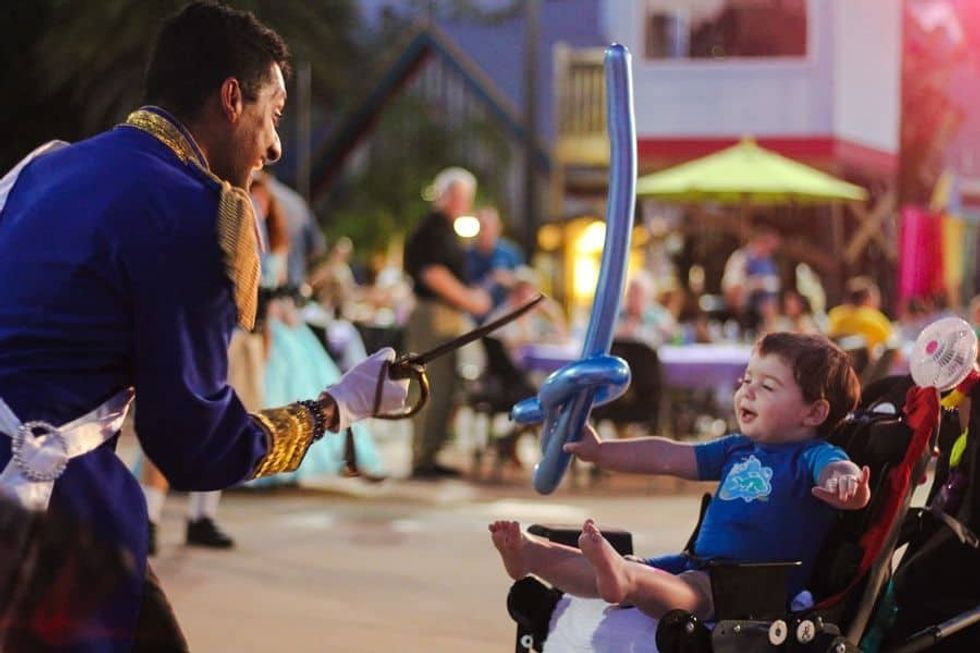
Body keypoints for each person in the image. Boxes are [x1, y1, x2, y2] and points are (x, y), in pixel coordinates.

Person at [0, 3, 408, 650]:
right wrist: (338, 407)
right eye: (273, 113)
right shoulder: (195, 211)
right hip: (43, 516)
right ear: (231, 99)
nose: (275, 145)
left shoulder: (40, 169)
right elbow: (193, 445)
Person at [490, 333, 870, 621]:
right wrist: (601, 452)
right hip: (700, 563)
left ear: (814, 413)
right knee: (647, 573)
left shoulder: (812, 456)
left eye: (767, 386)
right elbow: (667, 455)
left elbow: (839, 469)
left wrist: (845, 483)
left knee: (685, 591)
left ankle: (625, 576)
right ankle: (534, 555)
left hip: (753, 592)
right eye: (746, 380)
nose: (747, 392)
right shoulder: (737, 450)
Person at [404, 167, 491, 479]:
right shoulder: (432, 230)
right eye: (457, 195)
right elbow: (432, 274)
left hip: (446, 314)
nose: (461, 202)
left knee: (444, 386)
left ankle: (431, 452)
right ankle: (422, 456)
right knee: (432, 384)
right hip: (433, 313)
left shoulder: (447, 230)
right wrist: (471, 299)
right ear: (443, 194)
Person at [466, 205, 524, 313]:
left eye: (485, 226)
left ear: (498, 227)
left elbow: (525, 284)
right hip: (475, 316)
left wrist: (509, 279)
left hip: (506, 316)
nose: (482, 231)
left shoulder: (510, 252)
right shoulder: (466, 255)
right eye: (479, 226)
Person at [721, 227, 782, 330]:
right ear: (760, 242)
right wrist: (754, 284)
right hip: (743, 310)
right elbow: (731, 285)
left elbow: (774, 285)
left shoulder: (768, 262)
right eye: (769, 246)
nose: (770, 251)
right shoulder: (741, 258)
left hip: (764, 315)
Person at [827, 276, 894, 351]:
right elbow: (891, 346)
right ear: (867, 299)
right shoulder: (876, 319)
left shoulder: (835, 315)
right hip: (867, 361)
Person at [614, 271, 678, 348]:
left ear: (648, 296)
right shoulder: (618, 314)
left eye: (638, 294)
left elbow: (672, 336)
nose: (634, 298)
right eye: (631, 293)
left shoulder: (659, 315)